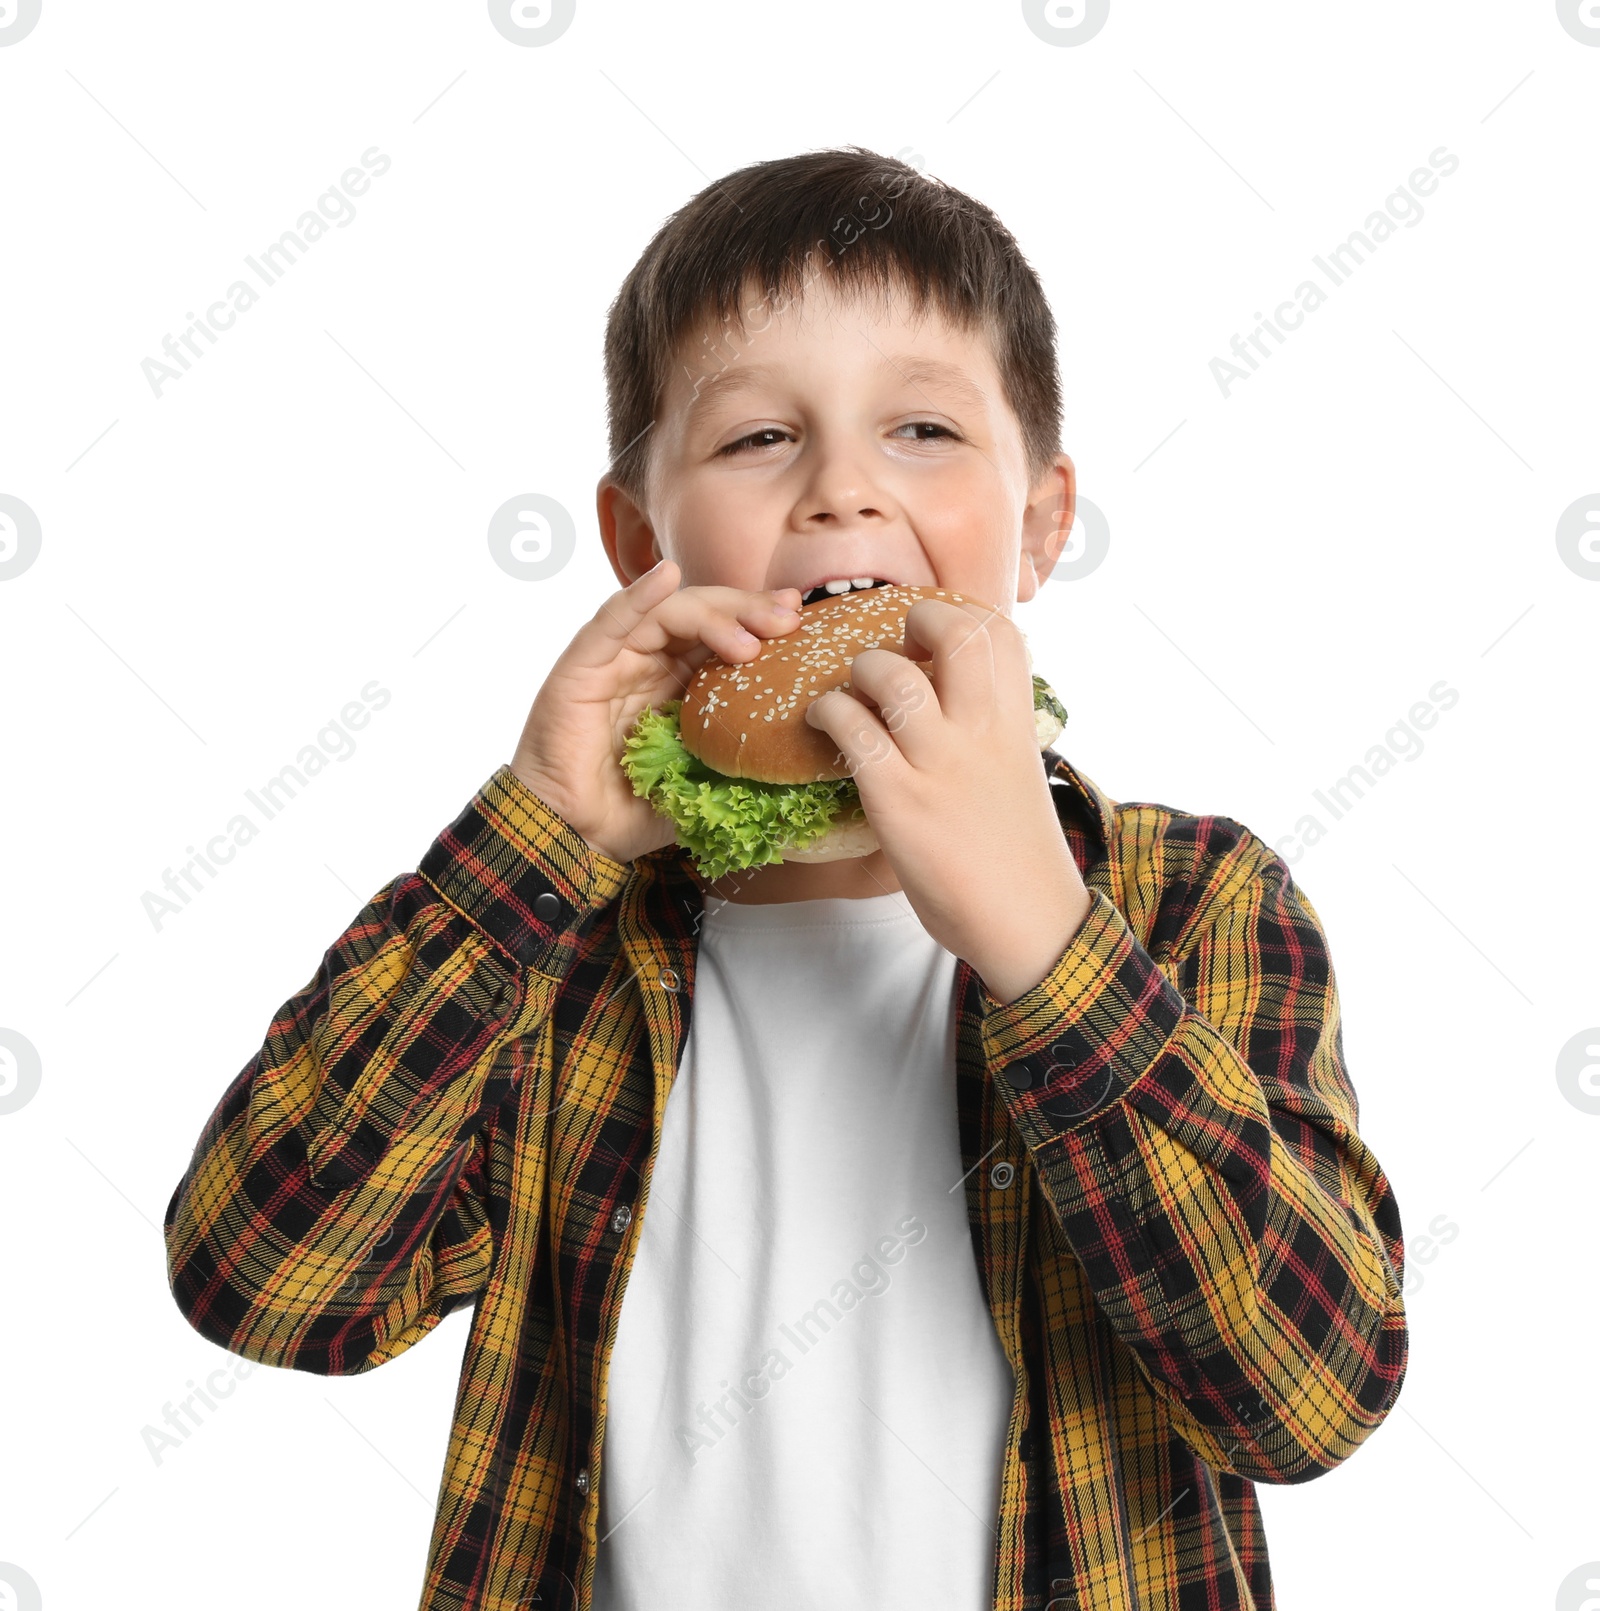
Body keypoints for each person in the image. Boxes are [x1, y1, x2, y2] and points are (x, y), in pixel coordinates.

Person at [164, 146, 1408, 1611]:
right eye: (758, 439)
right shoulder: (554, 953)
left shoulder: (1193, 901)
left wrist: (1040, 935)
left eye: (925, 428)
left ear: (1040, 524)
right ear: (641, 542)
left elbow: (1308, 1398)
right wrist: (532, 839)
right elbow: (269, 1283)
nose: (842, 492)